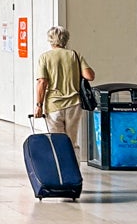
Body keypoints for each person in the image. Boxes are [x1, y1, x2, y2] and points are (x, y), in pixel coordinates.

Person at [33, 26, 94, 154]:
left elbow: (42, 82)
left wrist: (39, 105)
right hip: (74, 104)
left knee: (57, 141)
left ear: (50, 39)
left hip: (54, 105)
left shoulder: (45, 57)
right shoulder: (74, 55)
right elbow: (90, 76)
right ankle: (74, 170)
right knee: (72, 141)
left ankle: (60, 170)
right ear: (66, 39)